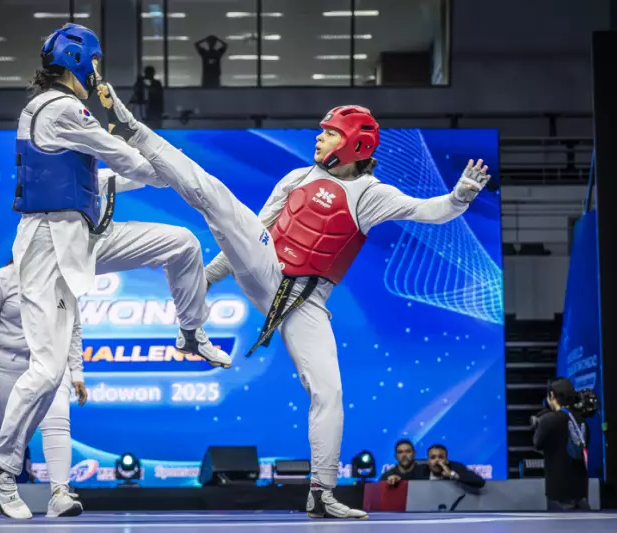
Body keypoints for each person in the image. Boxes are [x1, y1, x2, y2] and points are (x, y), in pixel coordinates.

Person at [97, 83, 491, 519]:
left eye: (329, 132)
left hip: (307, 302)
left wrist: (461, 196)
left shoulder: (370, 194)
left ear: (356, 145)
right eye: (321, 131)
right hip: (267, 271)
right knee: (215, 198)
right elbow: (249, 233)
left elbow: (429, 211)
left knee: (329, 392)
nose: (319, 137)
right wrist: (206, 279)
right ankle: (132, 129)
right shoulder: (296, 178)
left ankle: (321, 494)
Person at [0, 24, 229, 520]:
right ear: (84, 63)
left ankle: (189, 330)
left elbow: (99, 176)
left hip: (83, 234)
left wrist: (158, 170)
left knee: (181, 244)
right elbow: (130, 162)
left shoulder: (56, 112)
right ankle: (3, 471)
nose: (99, 73)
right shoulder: (62, 109)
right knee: (48, 372)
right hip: (48, 247)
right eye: (96, 64)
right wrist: (174, 172)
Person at [0, 260, 86, 519]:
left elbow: (74, 329)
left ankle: (60, 495)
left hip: (51, 364)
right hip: (6, 367)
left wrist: (77, 372)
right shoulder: (3, 278)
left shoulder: (64, 281)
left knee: (57, 424)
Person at [534, 377, 590, 510]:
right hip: (581, 491)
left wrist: (538, 424)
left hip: (558, 492)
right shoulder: (582, 420)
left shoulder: (548, 420)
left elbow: (537, 443)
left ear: (552, 395)